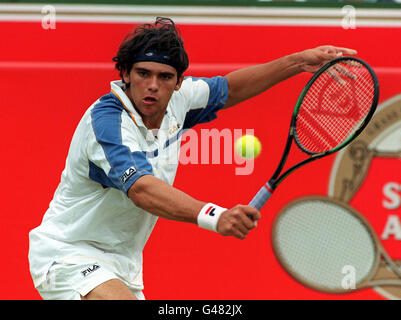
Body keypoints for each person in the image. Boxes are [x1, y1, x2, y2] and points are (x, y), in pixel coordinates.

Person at [28, 17, 357, 300]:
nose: (152, 86)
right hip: (67, 253)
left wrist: (299, 62)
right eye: (143, 73)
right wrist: (216, 217)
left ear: (178, 82)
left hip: (124, 264)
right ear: (125, 74)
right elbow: (142, 190)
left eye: (165, 77)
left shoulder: (179, 101)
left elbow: (229, 88)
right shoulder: (108, 123)